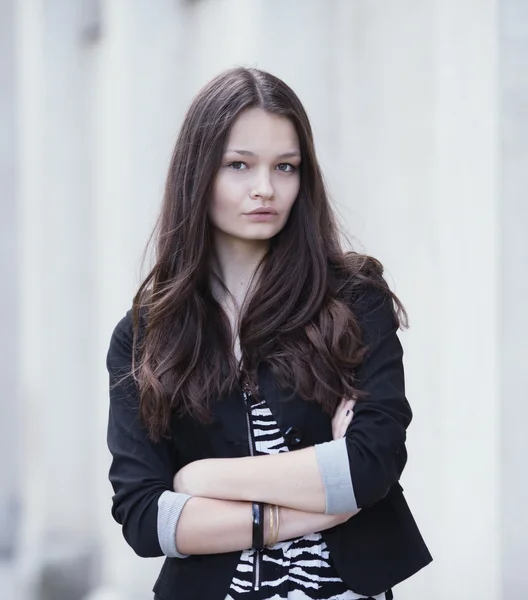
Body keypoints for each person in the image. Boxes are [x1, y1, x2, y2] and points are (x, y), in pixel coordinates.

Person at [106, 67, 432, 600]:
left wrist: (200, 479)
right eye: (239, 165)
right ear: (198, 174)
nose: (265, 189)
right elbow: (145, 518)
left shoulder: (352, 300)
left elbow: (369, 467)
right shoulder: (147, 334)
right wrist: (311, 510)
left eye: (286, 167)